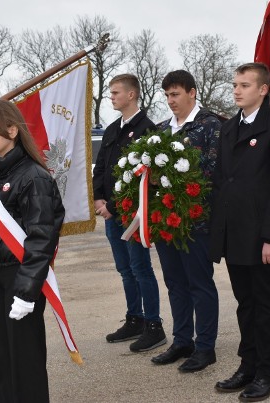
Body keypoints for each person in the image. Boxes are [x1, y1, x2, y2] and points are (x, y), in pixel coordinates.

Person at [0, 100, 64, 402]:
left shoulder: (34, 177)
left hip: (20, 277)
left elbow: (42, 238)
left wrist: (27, 290)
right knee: (1, 359)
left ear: (12, 129)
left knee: (26, 360)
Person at [209, 63, 270, 401]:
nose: (237, 90)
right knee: (245, 303)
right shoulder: (230, 127)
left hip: (262, 234)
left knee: (266, 303)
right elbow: (222, 181)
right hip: (235, 232)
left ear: (262, 90)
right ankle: (248, 364)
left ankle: (268, 373)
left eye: (245, 84)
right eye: (235, 84)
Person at [151, 70, 220, 373]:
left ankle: (205, 346)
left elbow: (214, 172)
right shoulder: (162, 130)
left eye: (175, 94)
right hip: (166, 221)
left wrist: (172, 177)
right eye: (167, 95)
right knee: (175, 284)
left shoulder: (210, 126)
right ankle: (182, 340)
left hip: (196, 221)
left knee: (199, 284)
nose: (171, 100)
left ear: (192, 92)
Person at [92, 74, 166, 352]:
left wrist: (110, 206)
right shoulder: (112, 129)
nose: (111, 97)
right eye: (110, 93)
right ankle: (134, 318)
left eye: (115, 92)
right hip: (111, 213)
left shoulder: (148, 129)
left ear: (132, 94)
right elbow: (101, 168)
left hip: (134, 214)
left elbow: (140, 177)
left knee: (140, 268)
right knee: (125, 269)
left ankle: (153, 325)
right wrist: (99, 198)